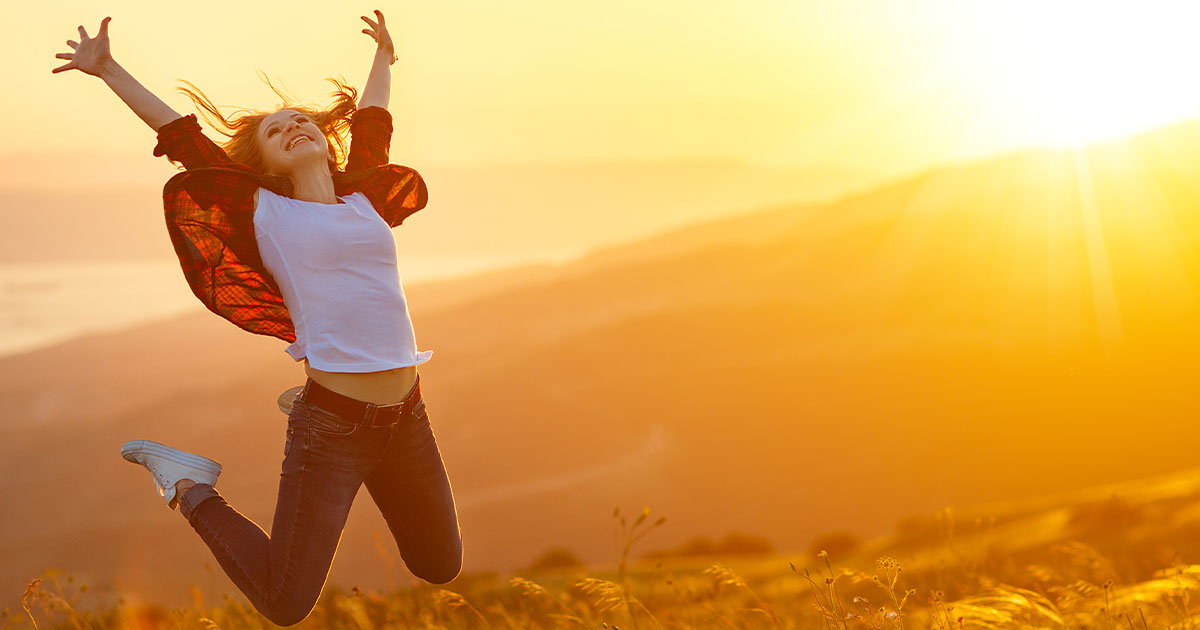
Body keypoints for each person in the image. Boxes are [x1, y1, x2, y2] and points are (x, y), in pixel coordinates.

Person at [52, 10, 462, 625]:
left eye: (301, 120)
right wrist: (108, 70)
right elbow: (181, 137)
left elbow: (373, 120)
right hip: (334, 430)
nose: (294, 126)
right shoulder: (263, 209)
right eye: (276, 130)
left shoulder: (365, 196)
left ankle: (305, 400)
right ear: (265, 164)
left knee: (439, 565)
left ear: (323, 138)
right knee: (285, 602)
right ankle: (188, 486)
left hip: (408, 416)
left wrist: (384, 57)